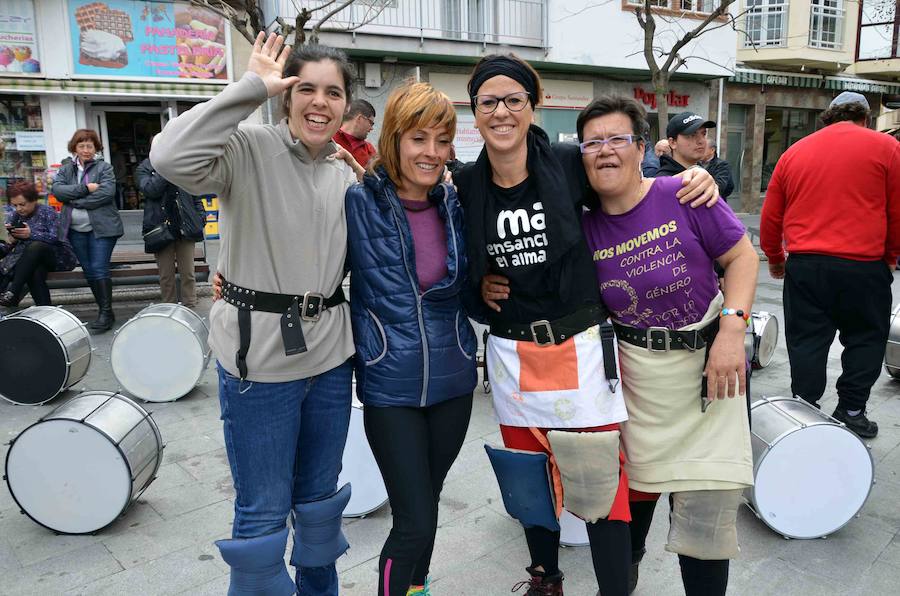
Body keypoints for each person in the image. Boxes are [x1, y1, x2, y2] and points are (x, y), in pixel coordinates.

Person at [458, 53, 719, 596]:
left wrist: (687, 178)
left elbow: (626, 178)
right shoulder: (467, 184)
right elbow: (452, 250)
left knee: (602, 482)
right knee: (528, 479)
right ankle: (545, 579)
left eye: (514, 100)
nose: (501, 111)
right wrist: (478, 288)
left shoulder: (566, 162)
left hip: (579, 345)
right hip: (512, 353)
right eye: (489, 102)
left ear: (533, 107)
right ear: (475, 111)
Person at [149, 33, 365, 596]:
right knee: (263, 516)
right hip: (259, 367)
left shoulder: (345, 173)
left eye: (334, 92)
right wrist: (249, 89)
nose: (320, 102)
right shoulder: (247, 147)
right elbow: (169, 156)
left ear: (346, 104)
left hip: (331, 361)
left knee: (319, 508)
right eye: (306, 89)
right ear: (286, 95)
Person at [577, 95, 758, 596]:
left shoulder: (685, 194)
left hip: (709, 376)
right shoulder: (581, 224)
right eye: (593, 142)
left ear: (641, 148)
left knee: (705, 531)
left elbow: (744, 259)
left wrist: (731, 331)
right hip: (635, 387)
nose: (605, 151)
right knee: (627, 529)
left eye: (617, 139)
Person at [345, 81, 477, 596]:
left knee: (428, 500)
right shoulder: (360, 202)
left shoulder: (454, 204)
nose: (432, 153)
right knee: (414, 521)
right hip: (389, 386)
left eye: (442, 140)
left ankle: (416, 589)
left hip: (454, 380)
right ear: (395, 138)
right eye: (419, 138)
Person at [760, 91, 900, 439]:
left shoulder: (794, 152)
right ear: (866, 117)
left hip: (807, 265)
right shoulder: (887, 149)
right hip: (864, 265)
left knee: (807, 340)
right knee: (866, 338)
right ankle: (851, 410)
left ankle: (804, 411)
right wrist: (889, 259)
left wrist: (776, 259)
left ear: (828, 115)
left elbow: (771, 217)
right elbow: (897, 213)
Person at [51, 128, 123, 332]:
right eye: (81, 146)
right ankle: (106, 311)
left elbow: (107, 194)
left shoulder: (104, 168)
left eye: (89, 146)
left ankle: (105, 313)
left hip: (101, 228)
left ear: (96, 148)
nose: (85, 150)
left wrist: (75, 200)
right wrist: (85, 189)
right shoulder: (66, 169)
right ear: (75, 147)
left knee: (99, 267)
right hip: (74, 230)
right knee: (89, 271)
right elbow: (57, 191)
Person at [135, 153, 206, 307]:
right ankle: (169, 308)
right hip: (160, 229)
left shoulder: (183, 165)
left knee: (188, 274)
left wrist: (201, 217)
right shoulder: (144, 168)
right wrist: (165, 169)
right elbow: (151, 190)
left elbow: (194, 193)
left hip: (184, 226)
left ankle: (190, 306)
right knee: (166, 276)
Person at [0, 181, 76, 307]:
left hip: (58, 257)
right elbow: (9, 246)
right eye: (15, 205)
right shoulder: (15, 216)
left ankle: (13, 291)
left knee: (36, 246)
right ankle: (45, 310)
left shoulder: (47, 211)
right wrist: (10, 240)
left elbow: (57, 238)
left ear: (33, 200)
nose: (19, 209)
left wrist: (31, 234)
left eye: (22, 204)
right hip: (30, 261)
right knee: (35, 269)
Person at [656, 111, 716, 177]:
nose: (701, 141)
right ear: (672, 143)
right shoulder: (664, 182)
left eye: (704, 134)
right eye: (692, 135)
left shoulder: (704, 173)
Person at [333, 98, 377, 168]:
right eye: (371, 123)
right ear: (360, 118)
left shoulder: (369, 150)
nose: (371, 128)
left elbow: (375, 177)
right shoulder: (329, 140)